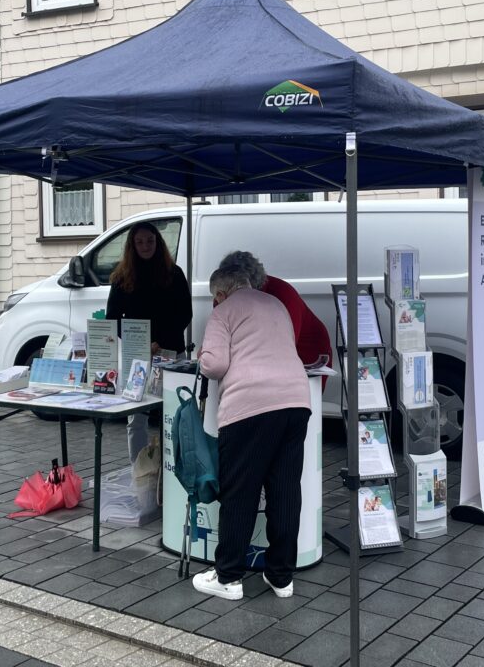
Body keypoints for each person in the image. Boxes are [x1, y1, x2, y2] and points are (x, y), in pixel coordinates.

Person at [192, 264, 311, 601]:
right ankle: (281, 577)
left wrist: (203, 354)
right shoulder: (276, 305)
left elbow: (214, 365)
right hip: (295, 403)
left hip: (250, 407)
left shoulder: (224, 312)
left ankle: (228, 576)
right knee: (285, 490)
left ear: (220, 293)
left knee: (240, 493)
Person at [106, 221, 191, 463]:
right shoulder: (121, 277)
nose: (145, 246)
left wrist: (159, 341)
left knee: (175, 415)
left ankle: (175, 470)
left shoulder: (174, 274)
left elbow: (185, 313)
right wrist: (143, 342)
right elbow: (113, 318)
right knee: (136, 418)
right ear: (132, 245)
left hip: (171, 354)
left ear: (158, 242)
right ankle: (139, 469)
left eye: (150, 240)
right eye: (140, 241)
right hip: (139, 358)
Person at [218, 251, 331, 370]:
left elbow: (285, 343)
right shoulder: (222, 294)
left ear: (255, 285)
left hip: (307, 354)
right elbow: (221, 334)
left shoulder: (283, 295)